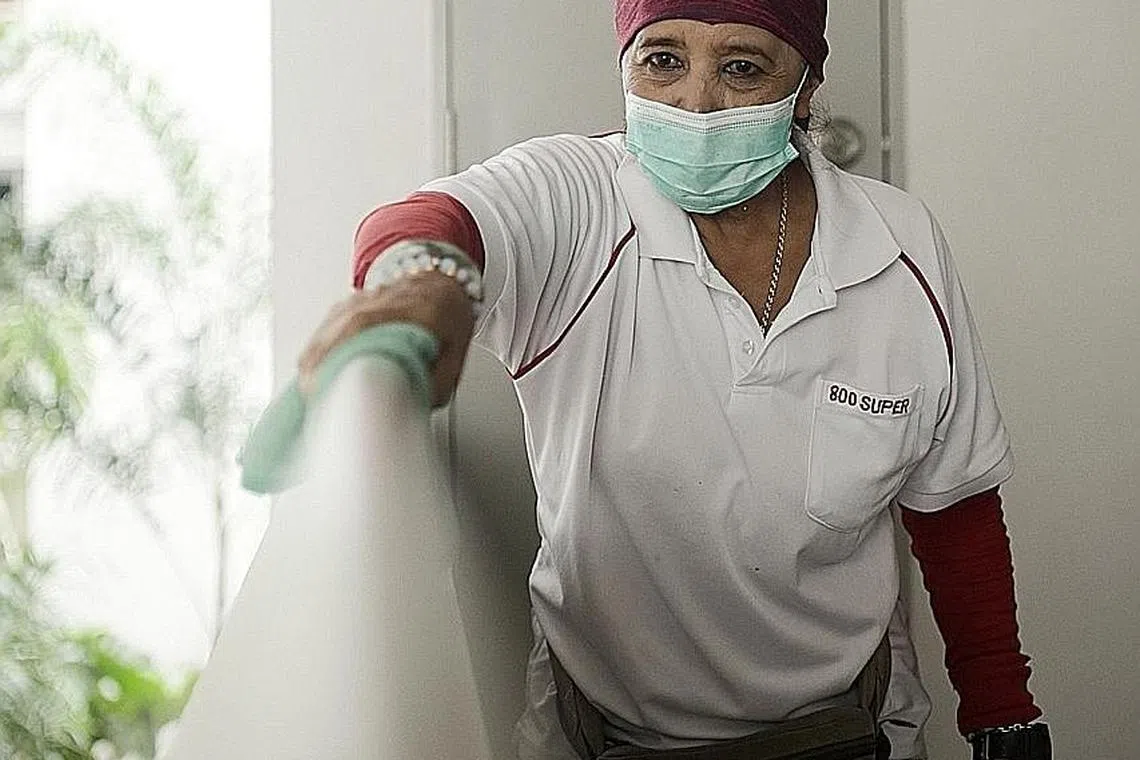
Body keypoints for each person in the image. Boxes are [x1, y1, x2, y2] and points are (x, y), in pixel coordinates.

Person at [298, 1, 1051, 758]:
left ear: (805, 89)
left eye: (741, 69)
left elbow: (954, 506)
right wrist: (420, 286)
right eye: (663, 61)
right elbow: (440, 217)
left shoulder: (897, 247)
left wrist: (1002, 713)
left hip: (846, 728)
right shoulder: (582, 202)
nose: (696, 102)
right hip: (608, 735)